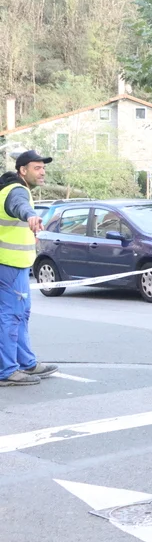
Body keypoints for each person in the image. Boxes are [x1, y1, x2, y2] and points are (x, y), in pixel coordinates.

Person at [0, 150, 59, 387]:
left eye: (43, 168)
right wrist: (31, 216)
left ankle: (26, 362)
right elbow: (20, 206)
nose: (42, 172)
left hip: (17, 265)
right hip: (9, 265)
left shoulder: (13, 188)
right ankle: (6, 370)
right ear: (22, 170)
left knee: (21, 314)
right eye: (37, 168)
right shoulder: (17, 191)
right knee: (11, 316)